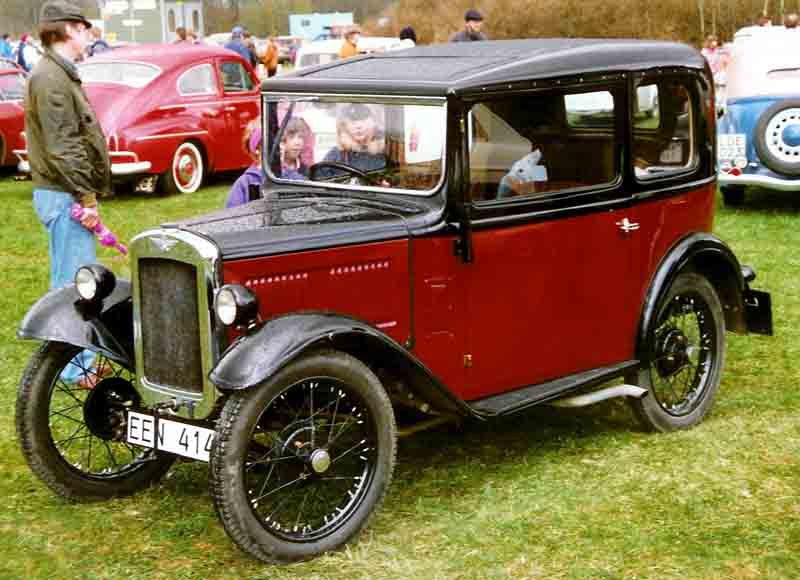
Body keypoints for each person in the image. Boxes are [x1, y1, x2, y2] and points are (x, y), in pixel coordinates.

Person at [26, 0, 112, 386]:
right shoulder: (51, 77)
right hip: (65, 193)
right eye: (84, 28)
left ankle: (79, 363)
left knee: (76, 277)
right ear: (68, 30)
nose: (88, 36)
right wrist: (86, 197)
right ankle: (75, 370)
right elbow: (64, 146)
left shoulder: (56, 73)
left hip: (64, 192)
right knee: (75, 283)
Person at [319, 103, 386, 177]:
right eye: (353, 122)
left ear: (373, 124)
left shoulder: (386, 152)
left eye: (363, 121)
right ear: (345, 126)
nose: (358, 126)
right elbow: (319, 176)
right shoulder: (337, 154)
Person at [226, 119, 265, 208]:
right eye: (271, 142)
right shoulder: (243, 184)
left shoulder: (289, 177)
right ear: (257, 149)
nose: (280, 146)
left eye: (281, 141)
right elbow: (233, 217)